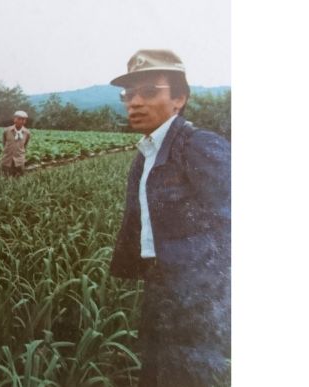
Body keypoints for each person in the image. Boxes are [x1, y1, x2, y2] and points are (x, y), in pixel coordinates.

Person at [108, 49, 231, 387]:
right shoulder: (145, 153)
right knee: (154, 371)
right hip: (159, 283)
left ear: (179, 98)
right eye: (129, 95)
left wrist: (211, 291)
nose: (135, 102)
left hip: (198, 294)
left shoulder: (197, 145)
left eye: (149, 92)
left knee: (189, 375)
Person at [0, 110, 32, 177]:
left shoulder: (27, 133)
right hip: (7, 160)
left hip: (19, 161)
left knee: (19, 180)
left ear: (25, 121)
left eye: (23, 119)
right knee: (5, 179)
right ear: (14, 119)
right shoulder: (7, 131)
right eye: (19, 119)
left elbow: (25, 145)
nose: (21, 121)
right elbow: (4, 143)